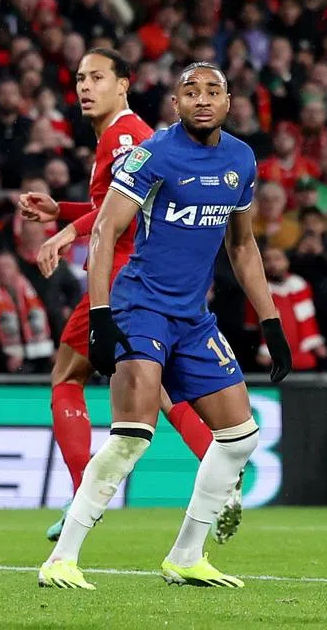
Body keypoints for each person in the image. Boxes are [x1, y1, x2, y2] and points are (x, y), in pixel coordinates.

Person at [38, 62, 293, 590]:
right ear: (175, 103)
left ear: (229, 101)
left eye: (213, 91)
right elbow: (106, 229)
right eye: (190, 92)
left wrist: (271, 323)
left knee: (240, 437)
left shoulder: (240, 159)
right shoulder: (152, 153)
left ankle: (185, 555)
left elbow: (242, 246)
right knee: (133, 435)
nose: (202, 100)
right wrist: (103, 315)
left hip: (192, 318)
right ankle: (62, 558)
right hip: (140, 306)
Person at [18, 49, 226, 542]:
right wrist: (63, 209)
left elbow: (124, 209)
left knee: (67, 377)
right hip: (145, 276)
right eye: (79, 78)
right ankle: (221, 476)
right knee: (162, 387)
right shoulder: (119, 136)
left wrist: (67, 232)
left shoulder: (126, 135)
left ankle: (79, 497)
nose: (85, 87)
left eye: (97, 77)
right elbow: (110, 202)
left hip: (124, 275)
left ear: (124, 85)